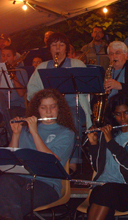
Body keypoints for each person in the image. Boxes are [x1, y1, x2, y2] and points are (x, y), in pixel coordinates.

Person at [0, 89, 76, 220]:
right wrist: (16, 134)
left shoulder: (67, 133)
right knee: (5, 181)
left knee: (7, 204)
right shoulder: (26, 128)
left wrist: (35, 133)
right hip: (20, 179)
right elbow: (11, 161)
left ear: (59, 108)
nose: (48, 111)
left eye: (53, 107)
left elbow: (51, 161)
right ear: (37, 110)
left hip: (47, 184)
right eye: (43, 107)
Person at [27, 32, 91, 171]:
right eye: (54, 45)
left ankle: (72, 161)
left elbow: (86, 87)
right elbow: (31, 90)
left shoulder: (77, 64)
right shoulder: (42, 67)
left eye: (61, 45)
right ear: (49, 48)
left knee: (73, 120)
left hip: (73, 105)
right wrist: (42, 98)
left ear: (66, 48)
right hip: (48, 107)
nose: (57, 48)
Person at [86, 93, 128, 220]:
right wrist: (94, 144)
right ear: (113, 115)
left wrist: (111, 142)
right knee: (103, 195)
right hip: (102, 188)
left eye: (126, 112)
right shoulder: (108, 133)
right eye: (118, 114)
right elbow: (97, 167)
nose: (123, 118)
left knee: (106, 194)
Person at [0, 46, 28, 120]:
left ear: (14, 57)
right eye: (3, 55)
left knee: (12, 115)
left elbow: (21, 93)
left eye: (8, 56)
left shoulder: (21, 72)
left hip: (16, 106)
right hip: (1, 107)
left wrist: (13, 74)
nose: (5, 58)